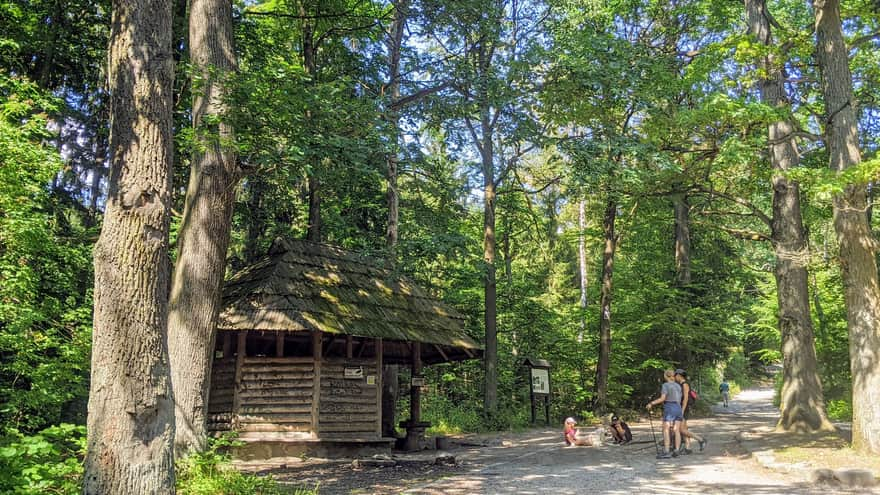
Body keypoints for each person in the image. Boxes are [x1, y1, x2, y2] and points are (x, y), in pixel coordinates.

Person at [646, 369, 682, 459]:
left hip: (670, 407)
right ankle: (677, 450)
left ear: (666, 376)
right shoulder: (678, 386)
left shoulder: (665, 385)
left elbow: (662, 398)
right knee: (676, 430)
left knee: (665, 429)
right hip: (678, 408)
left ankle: (666, 451)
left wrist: (651, 403)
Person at [675, 369, 707, 454]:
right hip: (682, 408)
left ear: (679, 375)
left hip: (683, 408)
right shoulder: (681, 384)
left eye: (676, 375)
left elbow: (685, 399)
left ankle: (701, 439)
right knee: (684, 428)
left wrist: (682, 411)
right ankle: (688, 448)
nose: (675, 377)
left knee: (681, 429)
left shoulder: (685, 384)